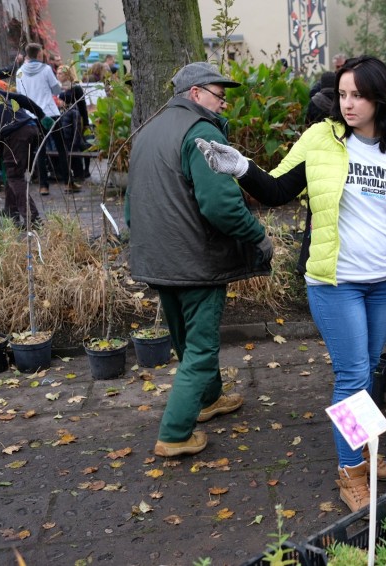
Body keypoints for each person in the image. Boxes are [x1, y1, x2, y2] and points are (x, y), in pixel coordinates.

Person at [193, 55, 386, 513]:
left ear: (379, 98)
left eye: (357, 95)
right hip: (334, 280)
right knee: (353, 375)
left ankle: (363, 453)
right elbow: (279, 189)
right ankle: (349, 471)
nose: (347, 104)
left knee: (368, 371)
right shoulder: (321, 139)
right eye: (342, 94)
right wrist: (242, 167)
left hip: (383, 282)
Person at [125, 62, 273, 459]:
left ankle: (208, 400)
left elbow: (130, 202)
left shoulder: (148, 131)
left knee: (185, 339)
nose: (223, 102)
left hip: (158, 257)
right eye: (217, 94)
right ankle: (174, 434)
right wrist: (258, 236)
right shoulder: (200, 132)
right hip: (195, 259)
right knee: (201, 348)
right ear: (195, 94)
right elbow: (221, 204)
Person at [0, 64, 46, 226]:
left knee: (14, 176)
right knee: (13, 174)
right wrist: (42, 115)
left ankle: (34, 220)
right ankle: (11, 216)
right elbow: (22, 99)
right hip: (30, 127)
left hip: (15, 134)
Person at [15, 42, 73, 194]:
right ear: (39, 54)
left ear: (27, 54)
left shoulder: (19, 72)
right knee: (61, 147)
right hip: (50, 113)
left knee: (39, 150)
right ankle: (67, 182)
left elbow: (20, 96)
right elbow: (56, 89)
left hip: (32, 115)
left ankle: (43, 185)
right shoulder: (46, 69)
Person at [57, 65, 91, 181]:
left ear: (67, 74)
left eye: (61, 73)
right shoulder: (57, 87)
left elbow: (82, 106)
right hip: (63, 120)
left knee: (79, 144)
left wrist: (86, 123)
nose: (58, 75)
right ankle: (74, 170)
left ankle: (83, 170)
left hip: (76, 120)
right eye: (57, 73)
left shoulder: (75, 88)